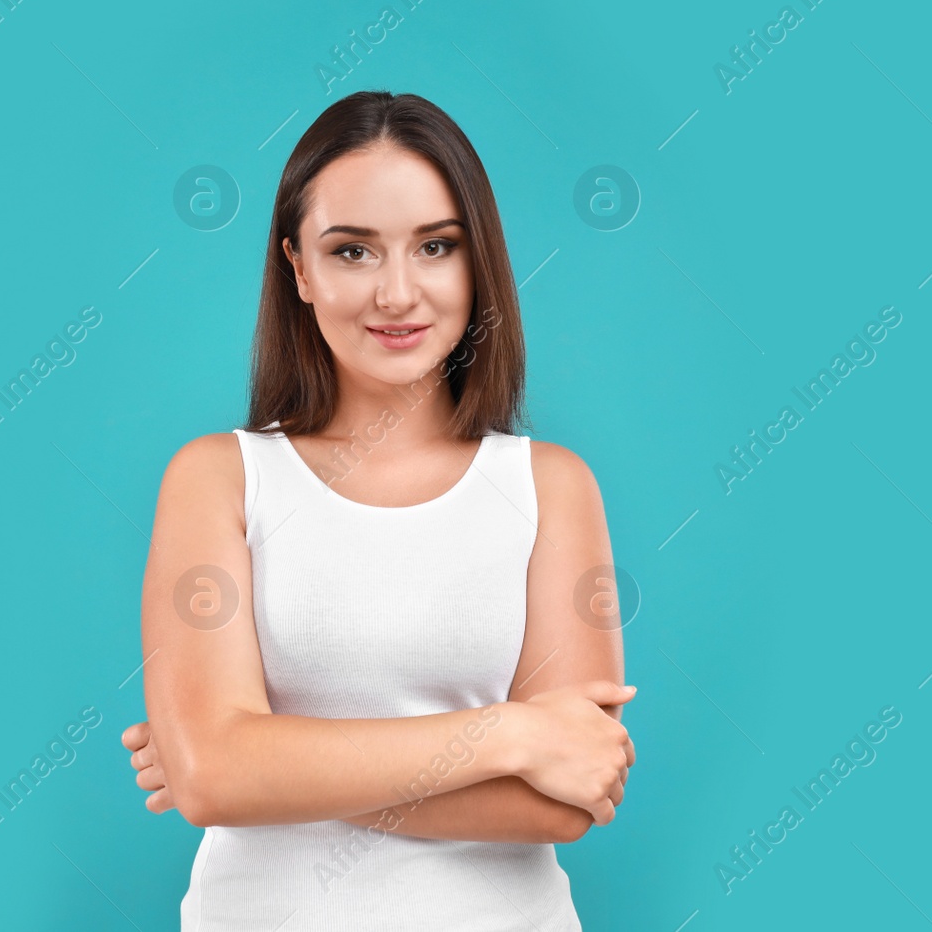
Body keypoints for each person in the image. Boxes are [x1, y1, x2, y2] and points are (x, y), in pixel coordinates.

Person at [121, 90, 636, 930]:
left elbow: (565, 801)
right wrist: (510, 736)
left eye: (436, 246)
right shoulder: (219, 478)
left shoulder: (552, 486)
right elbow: (217, 774)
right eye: (353, 251)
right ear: (298, 268)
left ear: (479, 263)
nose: (398, 292)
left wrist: (264, 767)